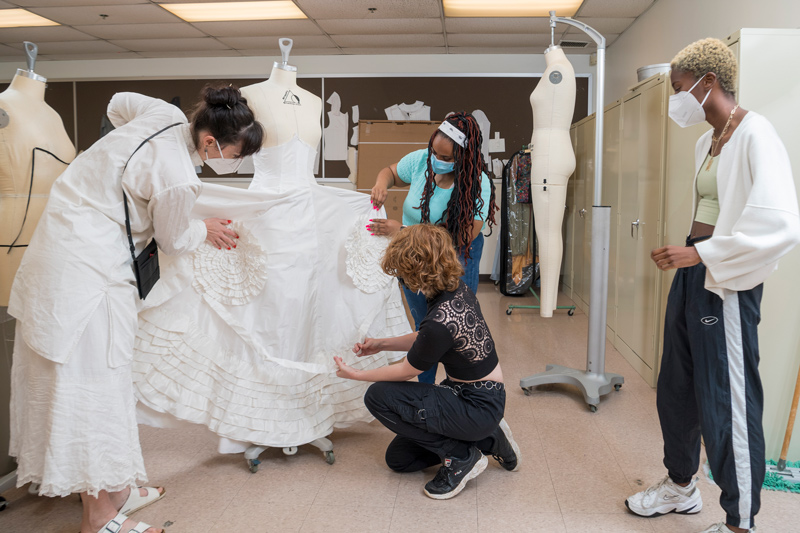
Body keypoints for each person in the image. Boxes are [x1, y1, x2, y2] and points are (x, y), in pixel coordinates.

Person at [8, 85, 263, 533]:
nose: (234, 164)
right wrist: (204, 228)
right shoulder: (179, 176)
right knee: (92, 386)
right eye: (235, 156)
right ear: (209, 143)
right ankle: (100, 518)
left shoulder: (161, 112)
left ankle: (117, 489)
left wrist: (117, 158)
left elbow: (115, 103)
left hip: (57, 245)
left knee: (87, 380)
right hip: (90, 275)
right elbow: (173, 239)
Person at [130, 63, 412, 466]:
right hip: (266, 219)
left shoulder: (315, 101)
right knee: (267, 320)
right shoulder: (251, 97)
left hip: (311, 219)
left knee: (308, 318)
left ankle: (307, 413)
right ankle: (256, 423)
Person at [625, 38, 800, 533]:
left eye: (679, 89)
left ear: (709, 83)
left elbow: (783, 225)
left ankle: (740, 521)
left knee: (727, 399)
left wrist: (702, 254)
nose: (675, 100)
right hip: (694, 271)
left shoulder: (756, 134)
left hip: (727, 282)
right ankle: (681, 487)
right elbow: (714, 210)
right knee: (676, 388)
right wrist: (688, 254)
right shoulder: (708, 141)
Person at [334, 224, 521, 500]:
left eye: (401, 274)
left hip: (476, 404)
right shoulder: (456, 290)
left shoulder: (440, 319)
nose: (402, 281)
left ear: (415, 271)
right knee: (399, 460)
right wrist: (381, 344)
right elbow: (427, 336)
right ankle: (489, 437)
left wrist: (355, 375)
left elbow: (407, 370)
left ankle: (461, 456)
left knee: (377, 396)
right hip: (479, 397)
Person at [368, 112, 497, 384]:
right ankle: (424, 390)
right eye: (435, 153)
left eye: (447, 158)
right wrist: (382, 184)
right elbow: (390, 172)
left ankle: (458, 388)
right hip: (414, 260)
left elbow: (458, 238)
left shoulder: (478, 185)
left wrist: (402, 233)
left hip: (456, 258)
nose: (437, 161)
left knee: (451, 325)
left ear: (464, 155)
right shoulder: (421, 161)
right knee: (423, 324)